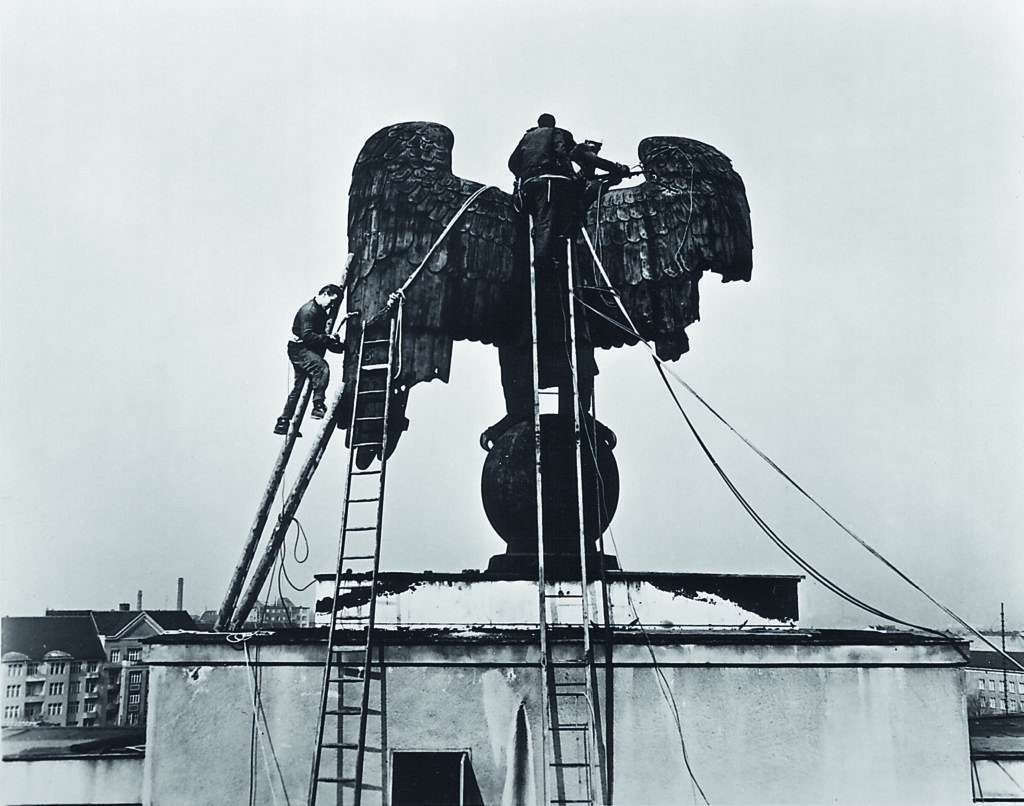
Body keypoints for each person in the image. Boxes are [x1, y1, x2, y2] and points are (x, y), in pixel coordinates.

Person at [274, 284, 345, 435]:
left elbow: (319, 338)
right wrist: (327, 338)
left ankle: (283, 422)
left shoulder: (320, 310)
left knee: (298, 388)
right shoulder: (309, 311)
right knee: (321, 368)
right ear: (325, 294)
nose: (332, 306)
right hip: (299, 349)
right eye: (331, 301)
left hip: (303, 348)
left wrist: (336, 343)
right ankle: (318, 405)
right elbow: (308, 337)